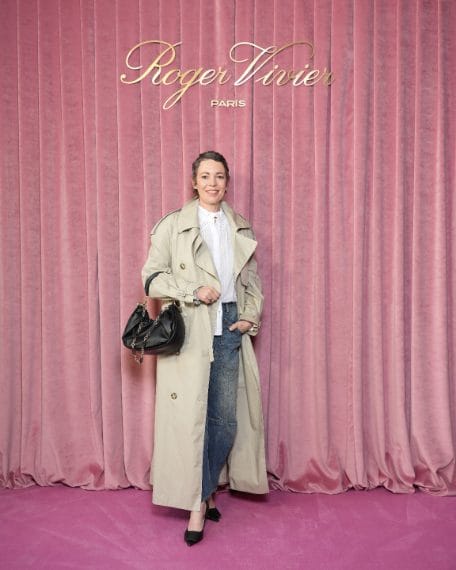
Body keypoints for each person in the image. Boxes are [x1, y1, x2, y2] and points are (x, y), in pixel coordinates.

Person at [141, 150, 268, 546]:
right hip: (191, 328)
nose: (213, 183)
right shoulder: (173, 225)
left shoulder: (239, 226)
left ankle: (208, 486)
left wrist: (249, 316)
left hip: (228, 327)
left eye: (219, 176)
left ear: (227, 183)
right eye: (206, 176)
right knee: (192, 420)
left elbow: (251, 280)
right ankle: (198, 502)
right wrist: (192, 290)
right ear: (194, 182)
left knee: (224, 420)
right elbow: (151, 279)